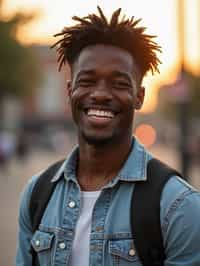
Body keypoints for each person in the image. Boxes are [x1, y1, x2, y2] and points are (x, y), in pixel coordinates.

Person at [16, 7, 200, 266]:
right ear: (70, 91)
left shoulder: (179, 207)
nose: (101, 94)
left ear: (139, 96)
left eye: (119, 83)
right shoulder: (37, 194)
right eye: (87, 81)